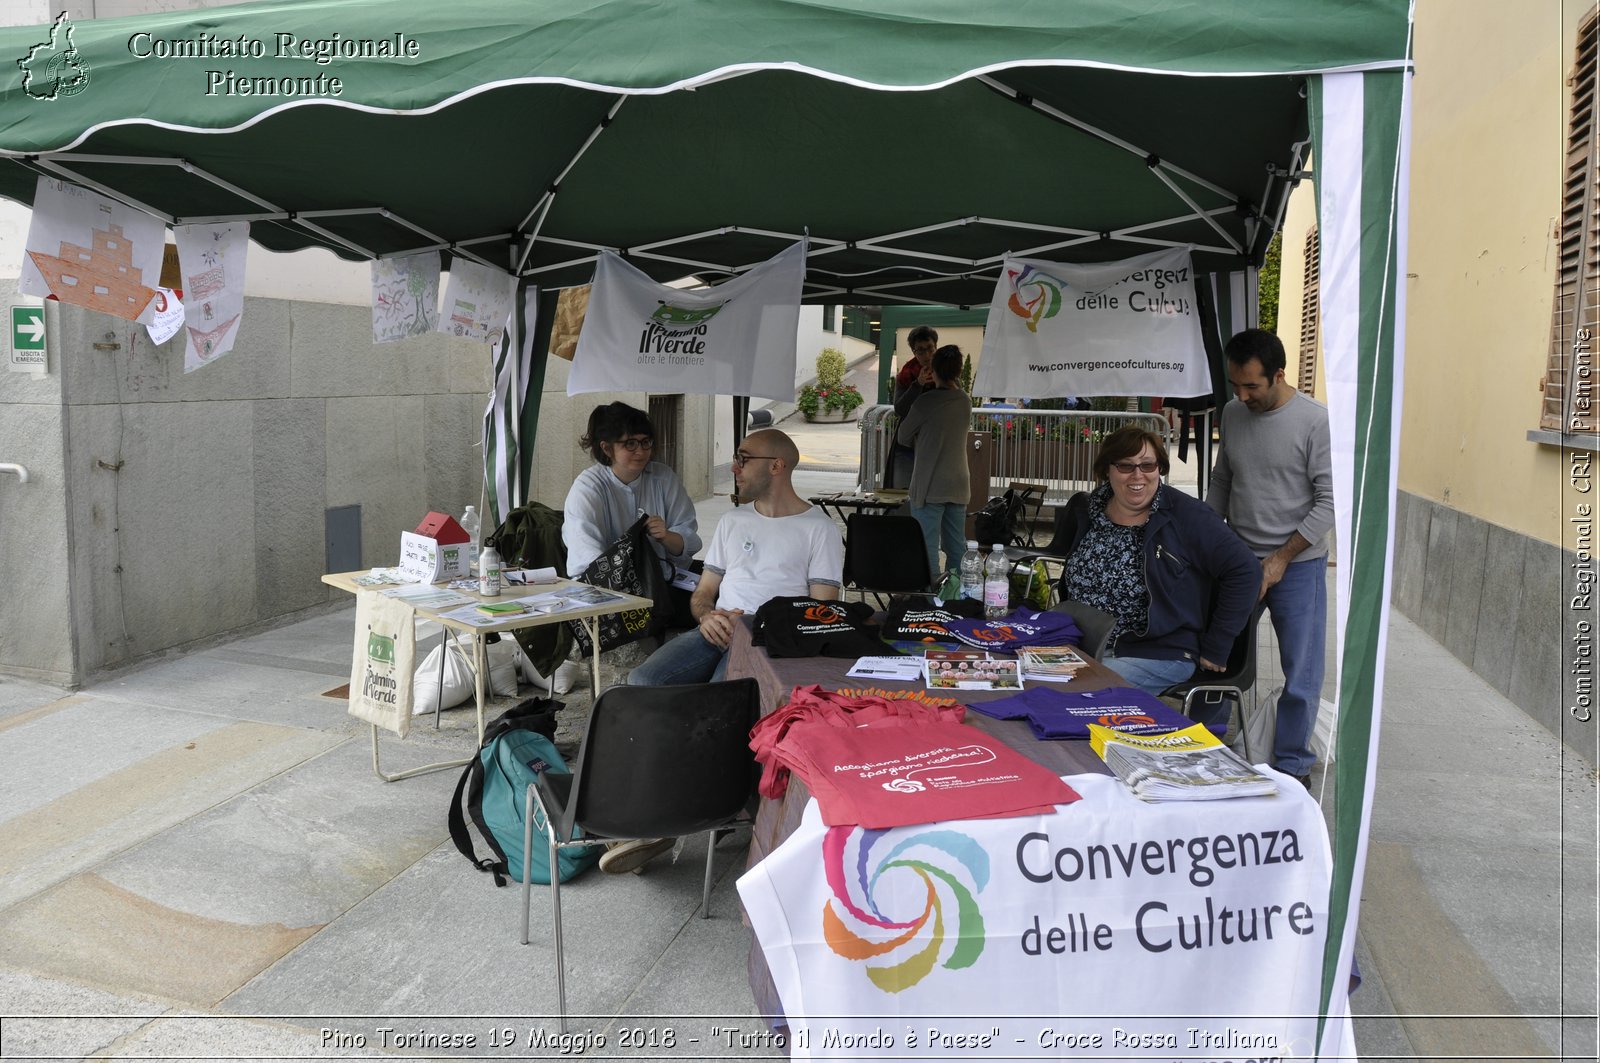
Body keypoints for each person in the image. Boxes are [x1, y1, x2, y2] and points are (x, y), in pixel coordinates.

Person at [606, 429, 842, 875]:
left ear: (777, 465)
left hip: (768, 643)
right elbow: (704, 592)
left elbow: (821, 611)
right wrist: (706, 616)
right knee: (642, 684)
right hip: (716, 631)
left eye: (743, 458)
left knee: (711, 711)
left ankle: (664, 822)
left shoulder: (818, 528)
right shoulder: (734, 522)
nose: (734, 467)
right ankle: (645, 801)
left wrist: (754, 623)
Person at [1207, 328, 1334, 787]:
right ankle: (1207, 746)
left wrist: (1280, 558)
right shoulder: (1234, 413)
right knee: (1216, 654)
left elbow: (1329, 502)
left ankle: (1292, 767)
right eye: (1235, 386)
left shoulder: (1316, 421)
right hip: (1239, 561)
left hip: (1298, 564)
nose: (1242, 396)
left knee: (1301, 671)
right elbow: (1223, 480)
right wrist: (1207, 540)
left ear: (1279, 375)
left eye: (1252, 387)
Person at [1056, 426, 1260, 696]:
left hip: (1157, 652)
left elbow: (1246, 570)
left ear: (1159, 468)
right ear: (1107, 469)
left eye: (1148, 465)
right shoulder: (1091, 508)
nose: (1138, 475)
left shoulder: (1186, 515)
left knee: (1076, 694)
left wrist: (1218, 644)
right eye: (1126, 466)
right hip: (1083, 642)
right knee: (1018, 678)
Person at [563, 401, 701, 627]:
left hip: (662, 584)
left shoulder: (663, 477)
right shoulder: (588, 487)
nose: (641, 451)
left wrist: (666, 536)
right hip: (613, 593)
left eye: (646, 442)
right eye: (630, 444)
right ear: (607, 448)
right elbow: (587, 561)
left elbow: (689, 540)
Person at [894, 343, 971, 585]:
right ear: (958, 372)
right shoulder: (965, 401)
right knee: (956, 545)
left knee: (926, 546)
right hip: (958, 483)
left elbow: (903, 436)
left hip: (929, 485)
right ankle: (955, 596)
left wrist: (918, 385)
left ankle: (930, 599)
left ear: (933, 371)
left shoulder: (925, 402)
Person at [888, 325, 939, 487]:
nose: (927, 355)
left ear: (936, 346)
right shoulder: (906, 374)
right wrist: (917, 385)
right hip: (907, 443)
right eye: (920, 350)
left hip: (936, 443)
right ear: (913, 352)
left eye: (930, 348)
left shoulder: (946, 371)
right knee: (903, 492)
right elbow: (899, 409)